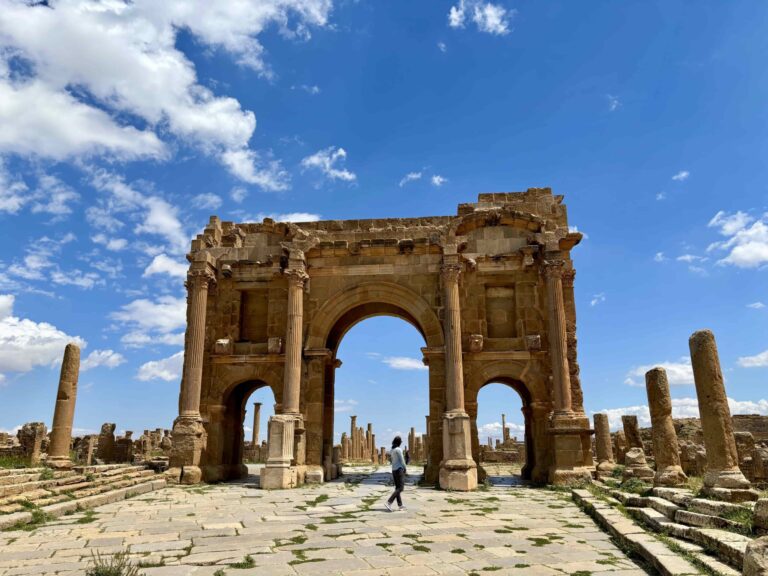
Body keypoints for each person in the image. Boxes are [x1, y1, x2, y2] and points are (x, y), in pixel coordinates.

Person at [385, 435, 407, 511]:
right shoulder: (398, 450)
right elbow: (402, 460)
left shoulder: (392, 450)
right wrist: (405, 467)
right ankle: (389, 502)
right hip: (399, 469)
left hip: (394, 470)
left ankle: (400, 505)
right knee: (401, 488)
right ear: (399, 442)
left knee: (397, 487)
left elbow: (390, 460)